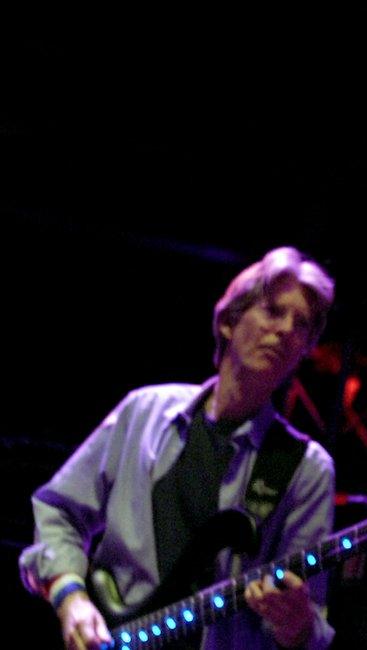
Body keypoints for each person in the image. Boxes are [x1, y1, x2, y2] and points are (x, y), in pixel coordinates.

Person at [19, 246, 337, 649]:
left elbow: (311, 632)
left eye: (302, 325)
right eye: (274, 311)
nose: (287, 331)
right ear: (229, 320)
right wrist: (71, 598)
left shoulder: (306, 470)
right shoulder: (143, 412)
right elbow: (57, 510)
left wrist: (298, 625)